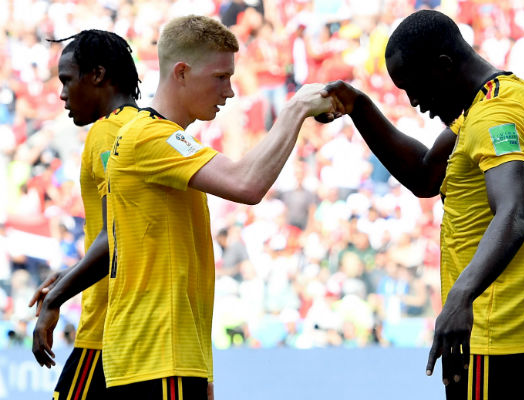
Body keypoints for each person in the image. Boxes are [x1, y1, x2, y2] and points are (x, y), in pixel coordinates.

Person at [35, 15, 334, 399]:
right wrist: (297, 109)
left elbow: (123, 241)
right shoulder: (143, 135)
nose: (229, 92)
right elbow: (244, 184)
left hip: (151, 349)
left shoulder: (145, 137)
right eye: (220, 78)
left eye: (65, 80)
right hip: (152, 351)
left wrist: (202, 368)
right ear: (181, 72)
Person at [320, 10, 524, 399]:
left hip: (499, 339)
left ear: (444, 65)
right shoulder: (508, 97)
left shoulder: (494, 115)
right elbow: (426, 175)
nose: (414, 102)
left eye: (414, 87)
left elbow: (514, 211)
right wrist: (359, 106)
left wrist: (459, 299)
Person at [29, 29, 140, 400]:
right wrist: (76, 271)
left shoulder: (107, 134)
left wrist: (55, 299)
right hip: (137, 330)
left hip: (107, 329)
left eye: (66, 80)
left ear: (97, 75)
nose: (61, 94)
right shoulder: (148, 129)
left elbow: (116, 236)